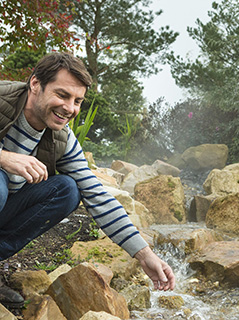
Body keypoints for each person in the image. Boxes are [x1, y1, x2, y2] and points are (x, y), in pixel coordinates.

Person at [0, 52, 175, 308]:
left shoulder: (63, 139)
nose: (70, 108)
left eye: (77, 100)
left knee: (68, 190)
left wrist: (144, 255)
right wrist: (4, 158)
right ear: (35, 84)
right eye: (62, 95)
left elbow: (98, 195)